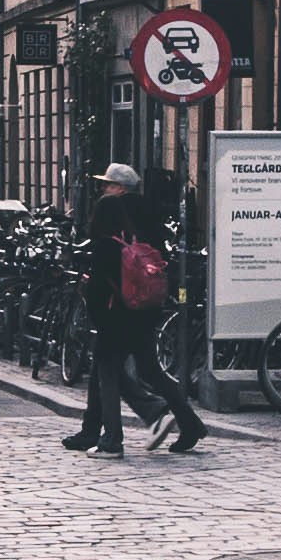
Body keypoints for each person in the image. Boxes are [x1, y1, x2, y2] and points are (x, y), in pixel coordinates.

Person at [67, 162, 201, 457]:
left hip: (120, 310)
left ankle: (115, 434)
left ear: (122, 188)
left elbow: (107, 272)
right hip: (143, 307)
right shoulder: (145, 214)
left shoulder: (116, 217)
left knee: (110, 368)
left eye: (109, 185)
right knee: (140, 369)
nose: (104, 190)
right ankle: (186, 423)